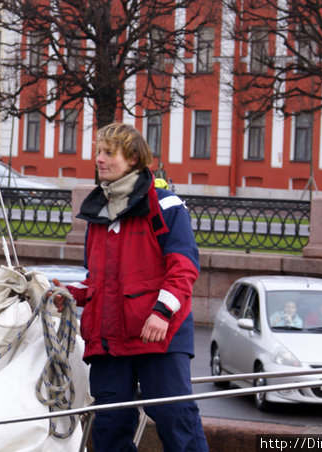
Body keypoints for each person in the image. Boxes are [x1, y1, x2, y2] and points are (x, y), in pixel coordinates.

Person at [53, 122, 208, 452]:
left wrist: (162, 313)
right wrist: (64, 293)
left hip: (158, 335)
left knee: (175, 418)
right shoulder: (99, 214)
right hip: (110, 342)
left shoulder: (165, 206)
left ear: (134, 159)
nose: (99, 159)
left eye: (109, 153)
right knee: (109, 427)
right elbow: (96, 281)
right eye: (98, 152)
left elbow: (183, 267)